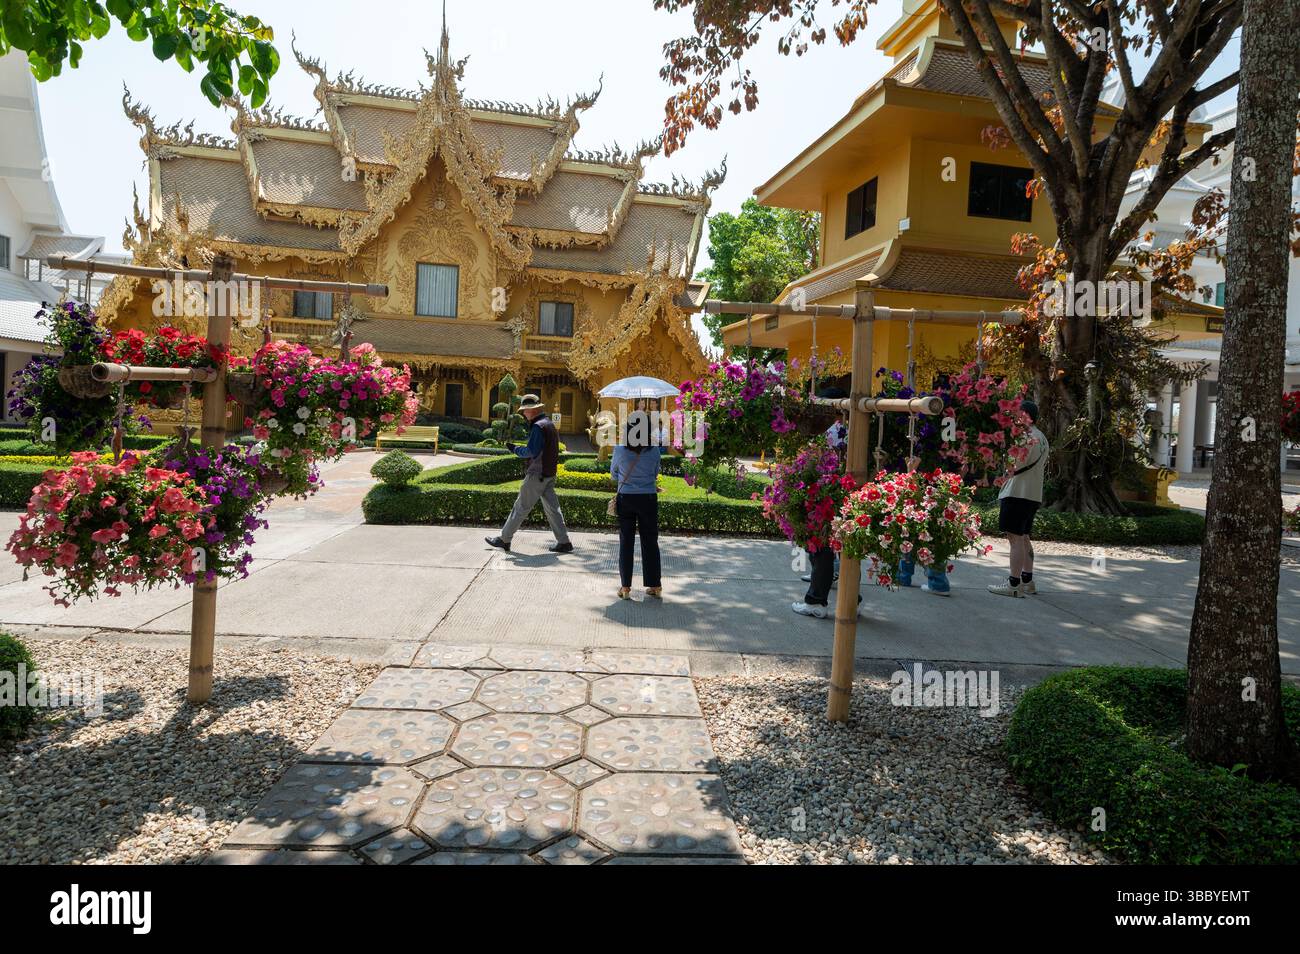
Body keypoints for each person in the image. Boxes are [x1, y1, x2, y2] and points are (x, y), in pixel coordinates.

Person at [485, 394, 573, 554]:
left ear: (533, 410)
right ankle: (564, 542)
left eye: (525, 411)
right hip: (548, 473)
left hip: (537, 474)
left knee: (520, 507)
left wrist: (514, 449)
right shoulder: (549, 424)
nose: (524, 414)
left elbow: (531, 451)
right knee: (553, 509)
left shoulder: (538, 427)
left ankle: (504, 539)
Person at [988, 399, 1048, 598]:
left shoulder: (1026, 437)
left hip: (1017, 492)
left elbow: (1015, 465)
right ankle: (1027, 580)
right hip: (1033, 494)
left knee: (1014, 538)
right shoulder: (1042, 438)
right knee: (1023, 537)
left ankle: (1013, 584)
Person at [611, 410, 662, 599]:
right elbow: (656, 473)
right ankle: (655, 585)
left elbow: (613, 474)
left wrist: (627, 478)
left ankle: (625, 587)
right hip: (648, 497)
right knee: (650, 540)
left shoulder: (620, 449)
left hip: (627, 498)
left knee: (626, 542)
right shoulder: (654, 449)